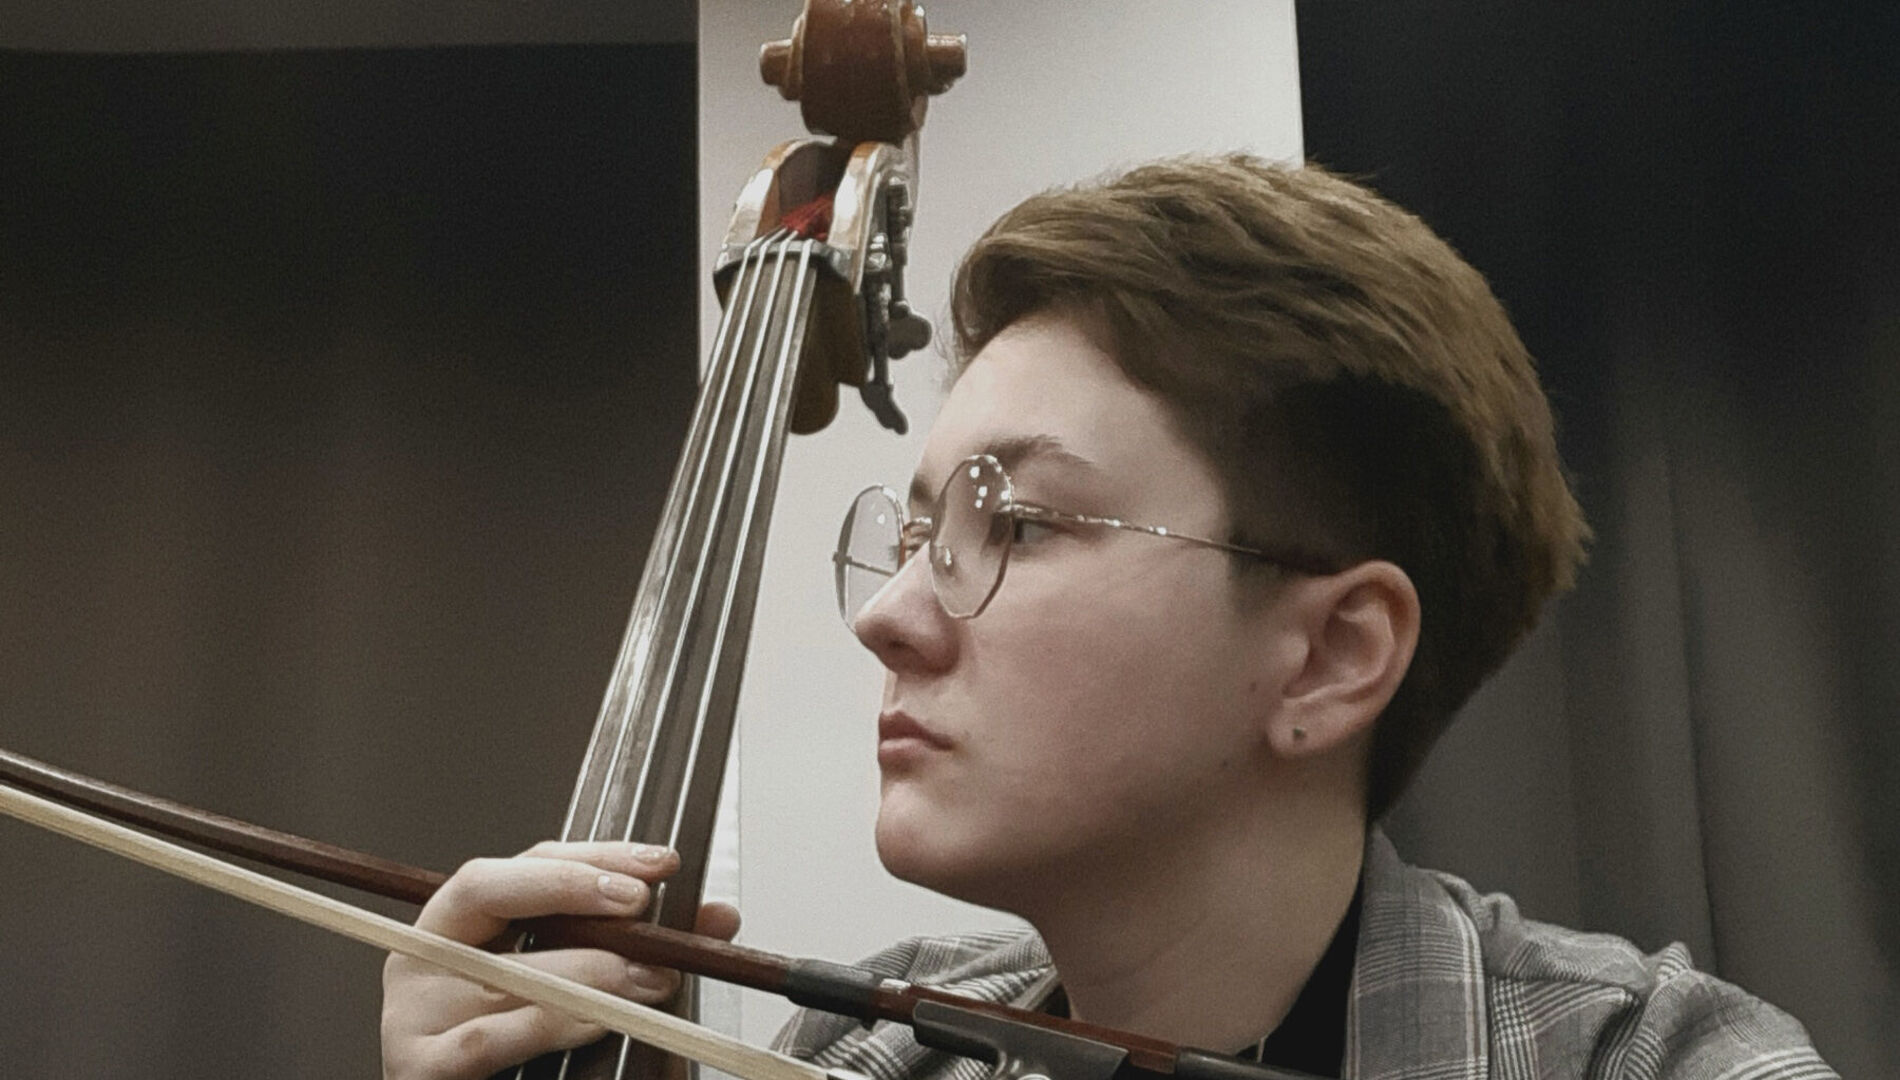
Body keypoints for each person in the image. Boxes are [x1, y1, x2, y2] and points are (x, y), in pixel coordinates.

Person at [380, 155, 1837, 1080]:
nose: (890, 618)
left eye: (1012, 524)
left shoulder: (1666, 1066)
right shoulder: (874, 1048)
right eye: (915, 533)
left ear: (1331, 657)